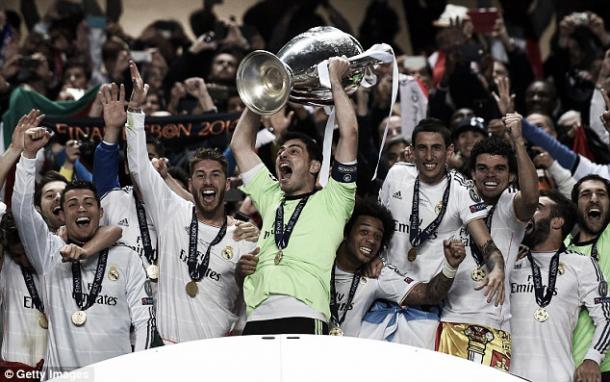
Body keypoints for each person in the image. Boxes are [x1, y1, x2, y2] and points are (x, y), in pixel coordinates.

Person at [124, 61, 256, 342]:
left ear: (227, 184)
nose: (208, 182)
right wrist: (135, 112)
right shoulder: (171, 211)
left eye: (215, 175)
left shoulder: (244, 237)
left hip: (215, 355)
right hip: (165, 350)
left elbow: (248, 306)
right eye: (200, 175)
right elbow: (138, 167)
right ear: (190, 184)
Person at [231, 56, 358, 334]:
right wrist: (261, 94)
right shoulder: (271, 194)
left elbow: (349, 133)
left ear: (315, 166)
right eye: (282, 151)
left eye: (294, 151)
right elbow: (240, 145)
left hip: (305, 311)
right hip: (257, 316)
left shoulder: (334, 200)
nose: (283, 155)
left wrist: (335, 80)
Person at [12, 127, 155, 374]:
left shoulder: (127, 258)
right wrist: (28, 157)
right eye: (72, 204)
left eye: (88, 203)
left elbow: (144, 321)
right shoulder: (48, 252)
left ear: (100, 213)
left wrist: (139, 371)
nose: (81, 209)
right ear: (63, 215)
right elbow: (22, 211)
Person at [376, 117, 505, 349]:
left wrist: (497, 268)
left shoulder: (462, 190)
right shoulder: (397, 175)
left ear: (449, 151)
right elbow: (378, 223)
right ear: (412, 151)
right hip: (382, 295)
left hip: (425, 306)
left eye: (436, 148)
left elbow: (487, 244)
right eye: (422, 148)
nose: (429, 157)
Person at [438, 113, 539, 371]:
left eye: (500, 168)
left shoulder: (511, 205)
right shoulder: (455, 202)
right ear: (472, 172)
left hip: (494, 325)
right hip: (451, 320)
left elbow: (531, 198)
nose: (490, 175)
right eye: (482, 168)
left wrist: (518, 141)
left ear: (511, 175)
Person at [510, 191, 610, 382]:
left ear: (557, 222)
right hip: (506, 374)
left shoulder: (581, 265)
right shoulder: (509, 263)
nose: (527, 213)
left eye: (537, 208)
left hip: (557, 376)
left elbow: (607, 317)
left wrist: (593, 359)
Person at [566, 175, 610, 380]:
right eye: (586, 194)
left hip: (605, 366)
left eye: (601, 194)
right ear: (575, 206)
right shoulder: (561, 247)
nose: (594, 199)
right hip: (569, 366)